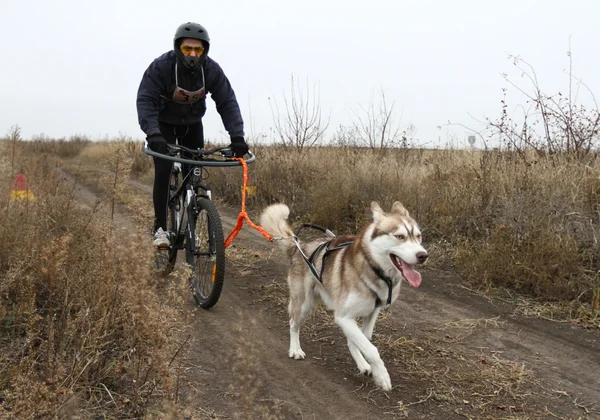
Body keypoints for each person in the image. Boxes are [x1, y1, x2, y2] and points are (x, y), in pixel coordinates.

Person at [137, 22, 249, 247]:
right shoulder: (161, 67)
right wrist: (153, 134)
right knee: (164, 169)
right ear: (178, 48)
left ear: (204, 51)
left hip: (192, 125)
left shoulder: (211, 70)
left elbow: (227, 102)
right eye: (188, 49)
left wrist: (237, 136)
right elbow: (146, 99)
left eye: (198, 50)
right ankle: (160, 228)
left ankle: (191, 229)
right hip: (163, 126)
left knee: (195, 174)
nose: (192, 54)